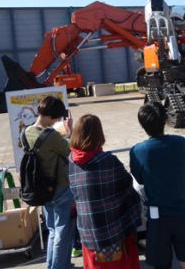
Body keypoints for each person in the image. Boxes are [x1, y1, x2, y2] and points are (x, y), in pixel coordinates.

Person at [130, 102, 185, 269]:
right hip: (183, 211)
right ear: (165, 119)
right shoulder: (181, 142)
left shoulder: (138, 150)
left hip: (157, 216)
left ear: (142, 124)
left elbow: (140, 180)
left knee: (161, 263)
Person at [68, 114, 141, 269]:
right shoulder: (108, 161)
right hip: (114, 232)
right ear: (99, 134)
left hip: (88, 233)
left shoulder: (71, 162)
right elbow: (128, 187)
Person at [24, 96, 74, 269]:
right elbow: (70, 149)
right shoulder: (51, 135)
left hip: (41, 188)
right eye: (58, 118)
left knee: (52, 230)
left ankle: (53, 265)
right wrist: (70, 130)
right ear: (52, 116)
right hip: (59, 186)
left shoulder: (26, 132)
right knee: (62, 230)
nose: (58, 121)